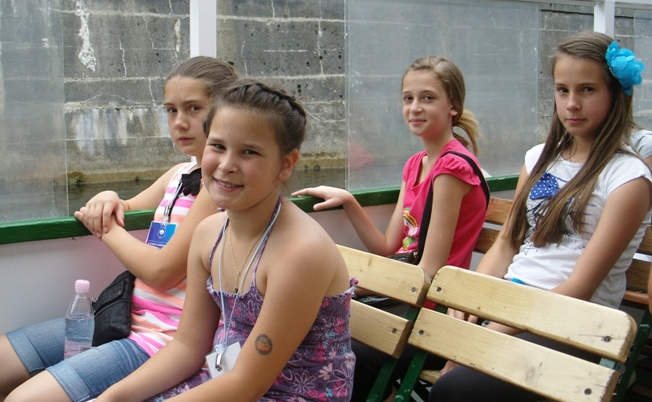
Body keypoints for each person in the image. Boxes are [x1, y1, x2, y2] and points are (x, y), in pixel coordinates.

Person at [0, 56, 240, 402]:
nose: (179, 122)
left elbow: (162, 272)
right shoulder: (178, 175)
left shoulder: (220, 188)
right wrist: (109, 197)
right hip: (122, 314)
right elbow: (127, 206)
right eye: (171, 110)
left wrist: (106, 230)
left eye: (193, 108)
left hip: (163, 339)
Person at [94, 79, 355, 402]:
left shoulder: (300, 253)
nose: (226, 165)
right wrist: (112, 398)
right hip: (224, 380)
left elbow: (247, 385)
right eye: (217, 146)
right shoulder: (209, 234)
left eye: (249, 152)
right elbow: (188, 347)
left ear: (285, 164)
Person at [429, 31, 652, 401]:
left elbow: (580, 288)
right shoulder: (538, 158)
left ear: (616, 94)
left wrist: (486, 334)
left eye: (587, 90)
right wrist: (469, 301)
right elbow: (507, 241)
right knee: (401, 351)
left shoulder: (629, 179)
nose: (572, 104)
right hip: (513, 308)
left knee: (455, 390)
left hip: (575, 326)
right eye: (563, 90)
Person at [292, 56, 489, 401]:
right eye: (408, 98)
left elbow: (429, 270)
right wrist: (349, 201)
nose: (415, 107)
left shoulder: (451, 168)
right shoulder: (415, 165)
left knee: (342, 353)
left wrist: (359, 286)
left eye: (428, 98)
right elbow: (387, 246)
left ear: (453, 106)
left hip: (431, 311)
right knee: (316, 334)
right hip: (405, 298)